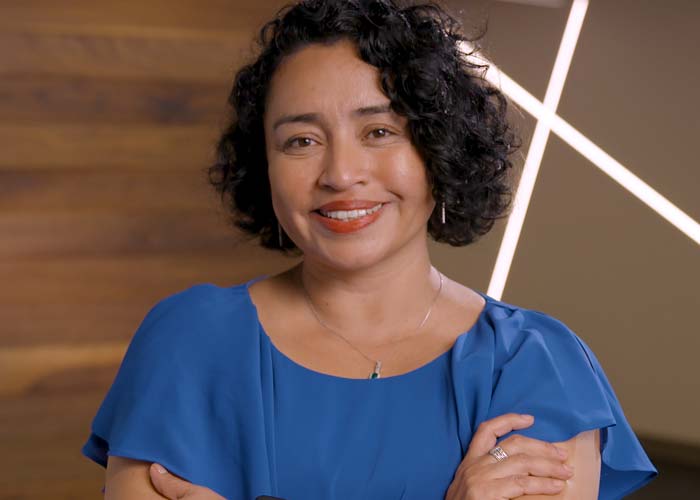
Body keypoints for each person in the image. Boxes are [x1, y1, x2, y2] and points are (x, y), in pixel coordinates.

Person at [81, 0, 657, 498]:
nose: (340, 173)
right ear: (265, 166)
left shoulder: (536, 363)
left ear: (438, 149)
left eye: (379, 132)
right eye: (301, 140)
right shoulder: (188, 341)